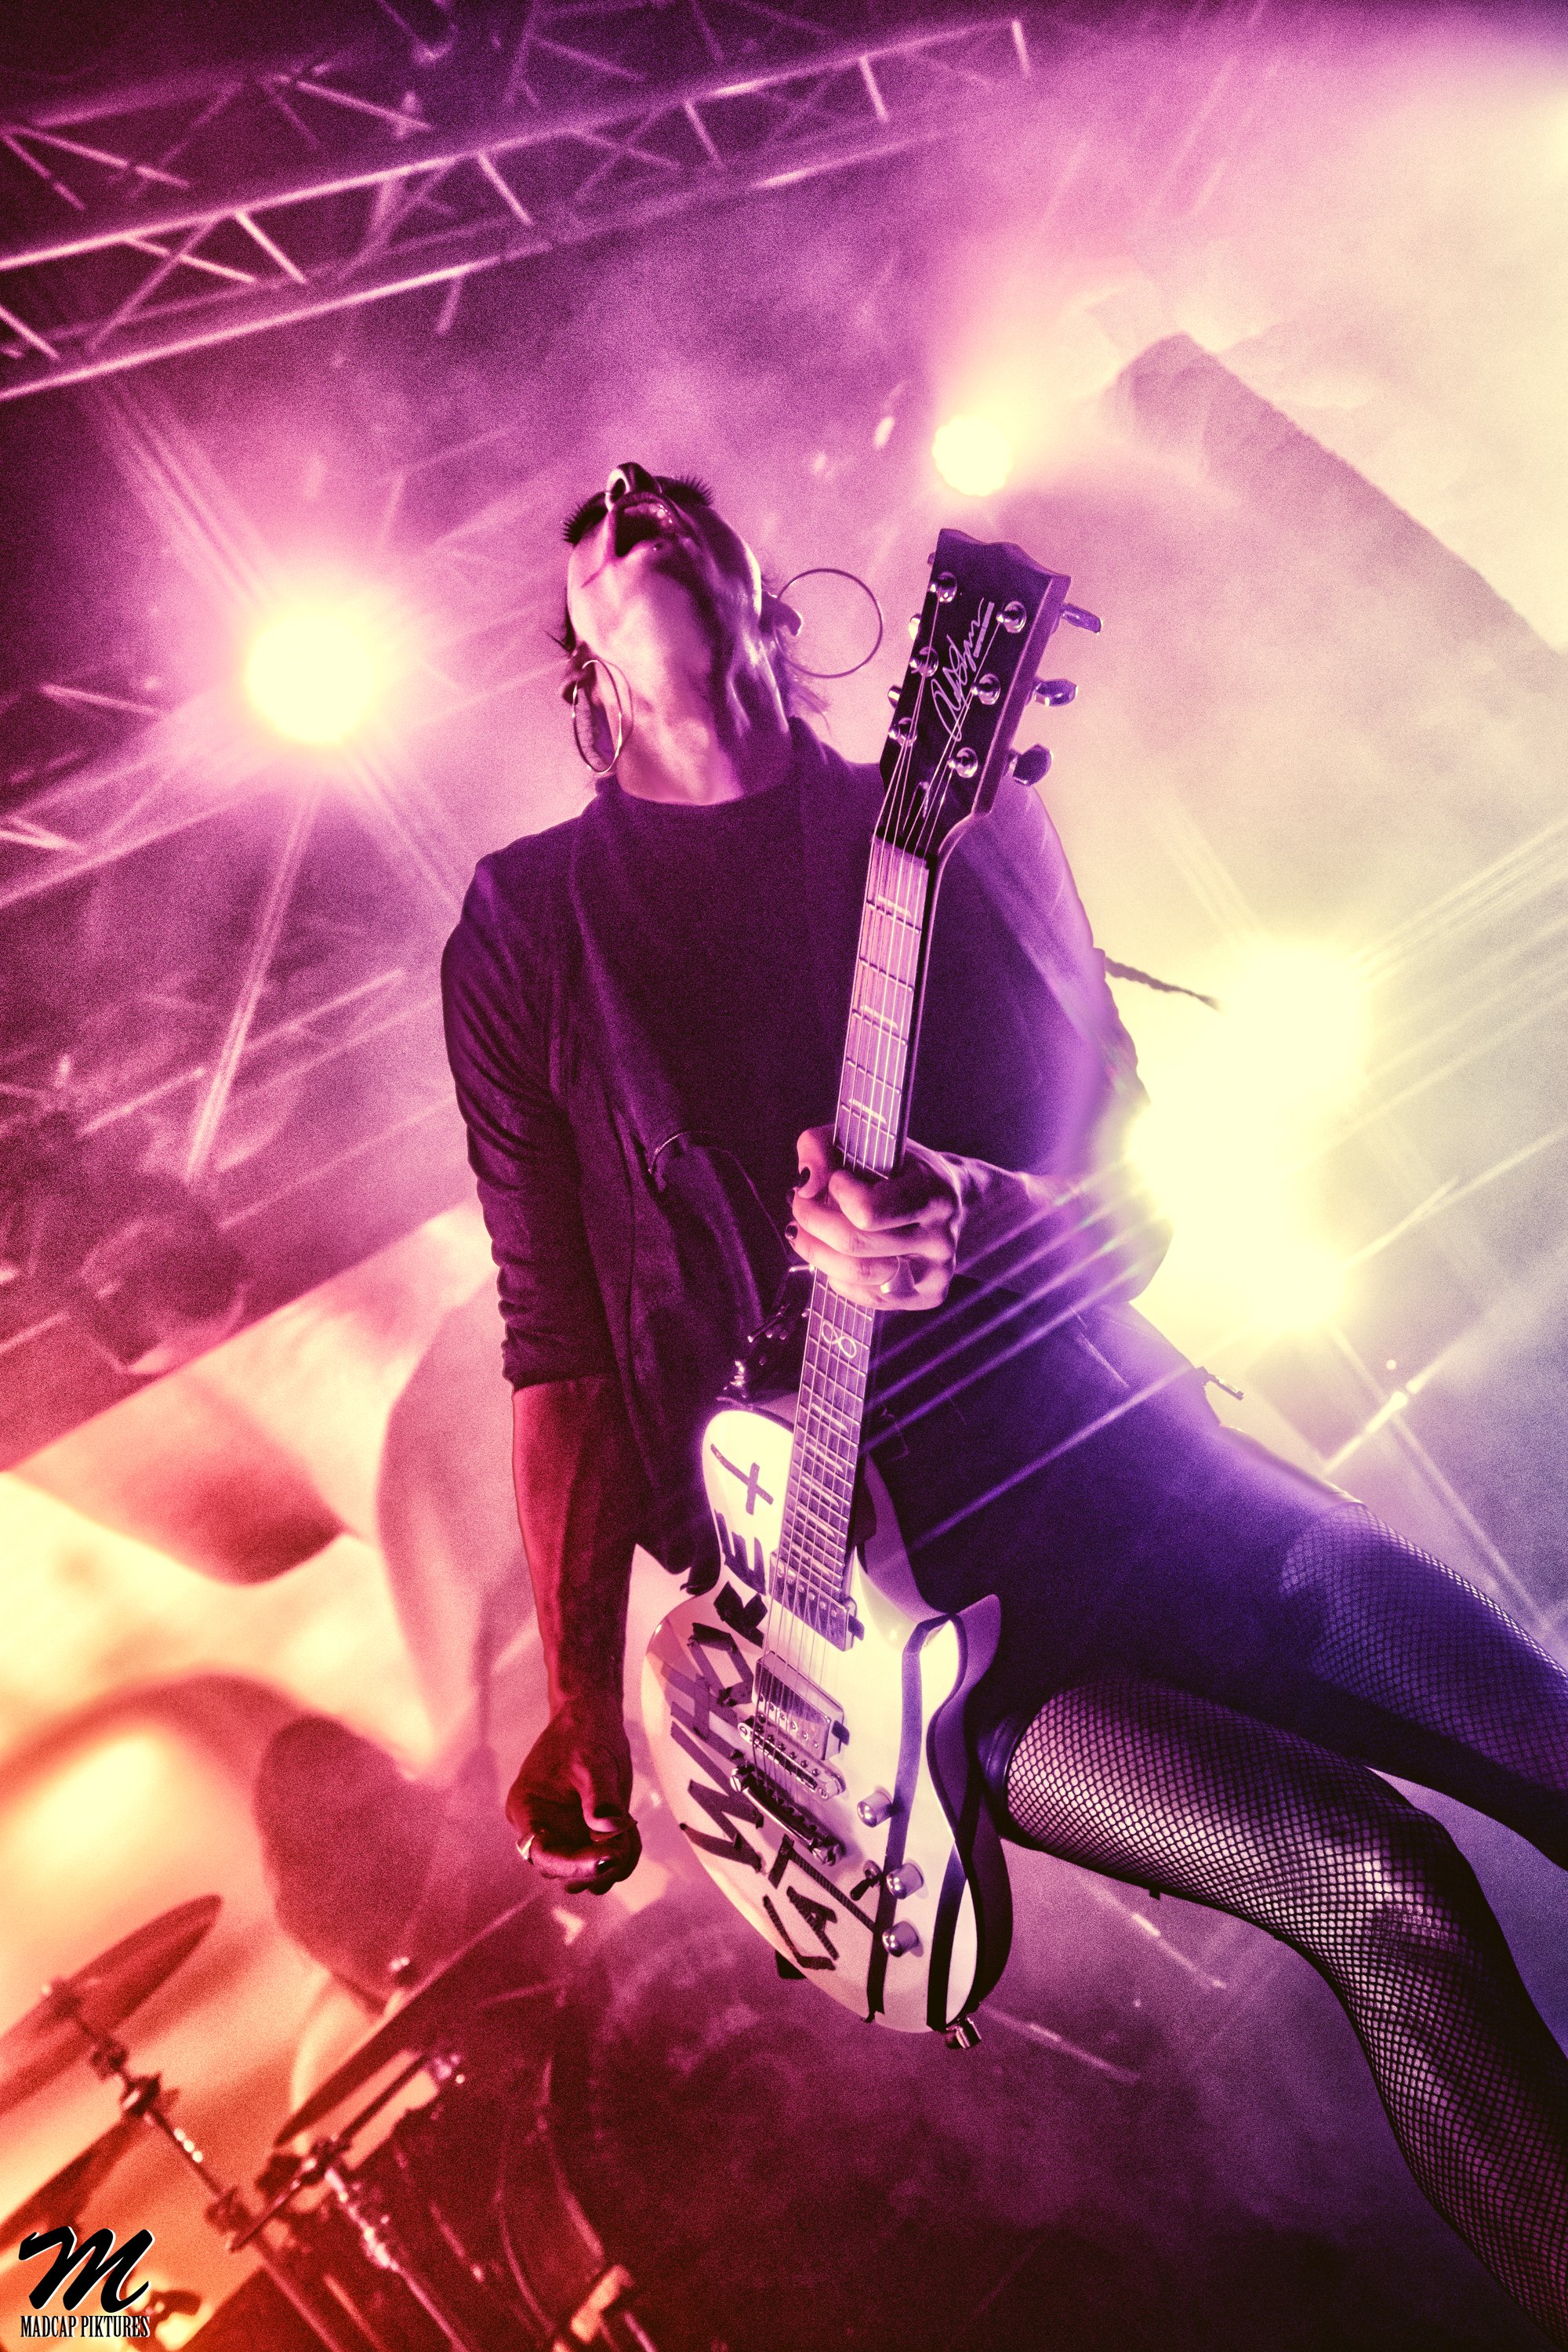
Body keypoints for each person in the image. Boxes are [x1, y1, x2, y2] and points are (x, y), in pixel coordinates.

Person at [442, 461, 1568, 2344]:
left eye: (674, 495)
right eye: (592, 520)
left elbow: (1141, 1197)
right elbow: (553, 1343)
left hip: (1141, 1469)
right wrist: (578, 1704)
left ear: (761, 592)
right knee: (1381, 1887)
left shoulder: (949, 814)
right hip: (905, 1621)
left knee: (1547, 1737)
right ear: (578, 656)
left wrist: (978, 1206)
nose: (629, 493)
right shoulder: (528, 932)